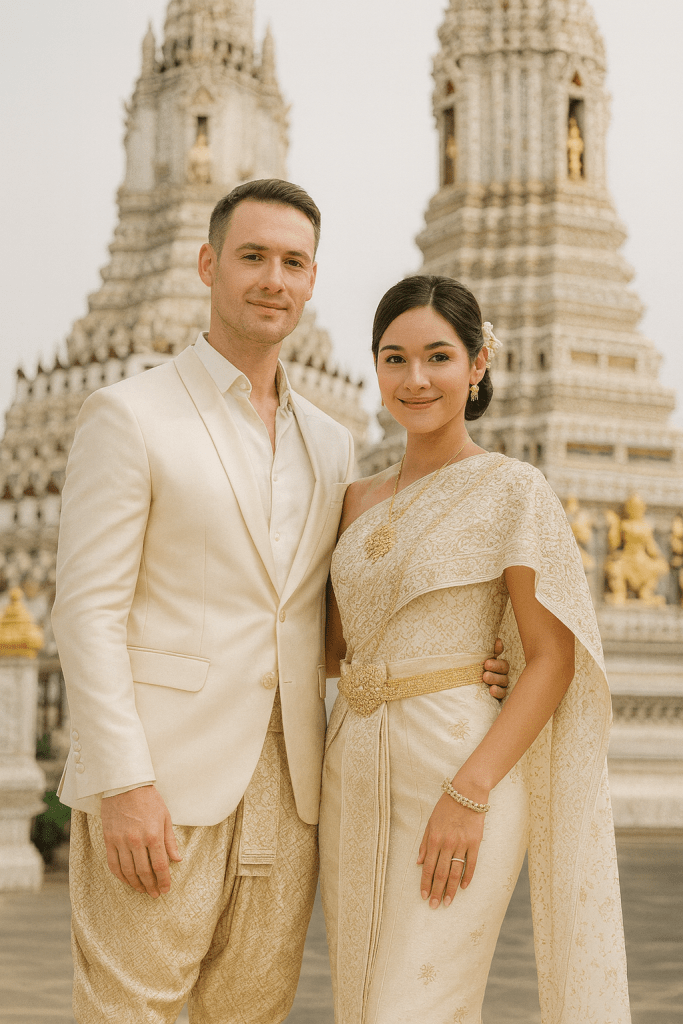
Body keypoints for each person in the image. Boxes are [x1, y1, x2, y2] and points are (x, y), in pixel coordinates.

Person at [51, 181, 511, 1023]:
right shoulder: (129, 414)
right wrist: (122, 782)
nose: (273, 279)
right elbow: (85, 613)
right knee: (130, 1012)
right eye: (253, 257)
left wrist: (450, 659)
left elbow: (324, 616)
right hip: (160, 781)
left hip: (292, 787)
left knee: (253, 1015)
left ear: (310, 281)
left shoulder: (330, 441)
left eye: (293, 263)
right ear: (208, 265)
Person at [320, 275, 631, 1024]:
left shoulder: (510, 489)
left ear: (476, 364)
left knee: (414, 1005)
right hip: (353, 766)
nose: (415, 379)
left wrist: (469, 792)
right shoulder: (353, 499)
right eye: (394, 359)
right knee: (361, 1003)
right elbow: (332, 648)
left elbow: (551, 657)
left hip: (458, 770)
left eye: (438, 357)